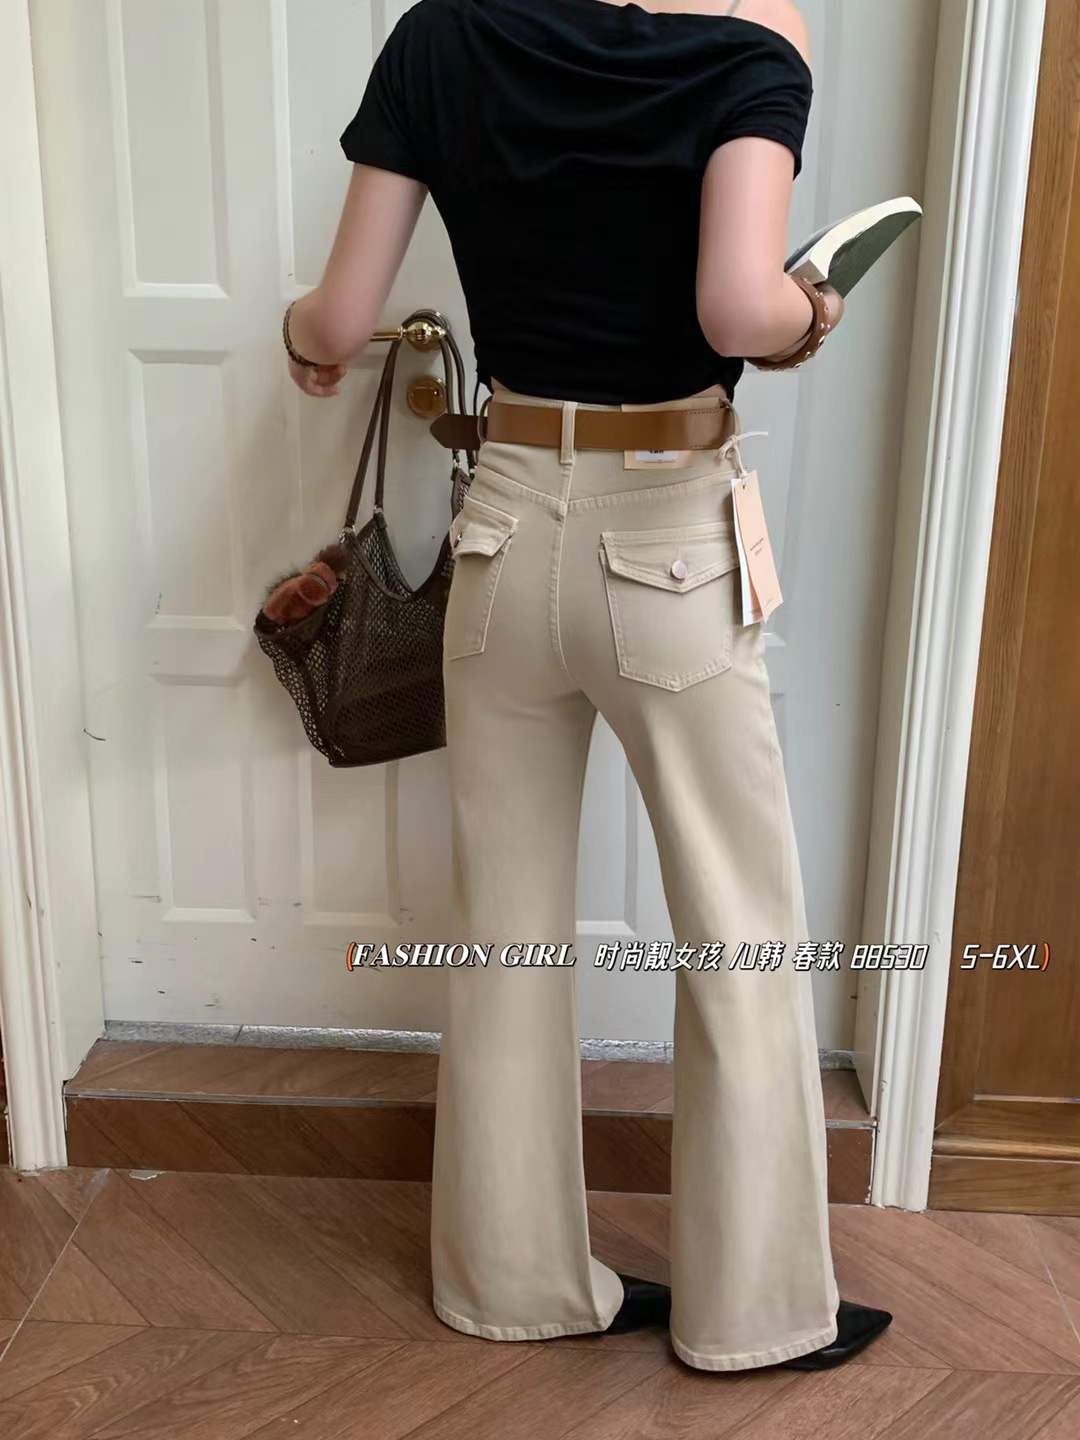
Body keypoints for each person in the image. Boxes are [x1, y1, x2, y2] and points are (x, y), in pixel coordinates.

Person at [283, 0, 892, 1372]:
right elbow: (736, 307)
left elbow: (342, 314)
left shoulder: (442, 33)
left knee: (504, 931)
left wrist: (303, 338)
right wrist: (811, 310)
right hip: (669, 532)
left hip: (503, 530)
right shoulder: (754, 32)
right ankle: (754, 1316)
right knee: (738, 928)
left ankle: (513, 1283)